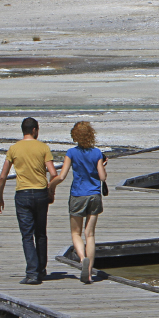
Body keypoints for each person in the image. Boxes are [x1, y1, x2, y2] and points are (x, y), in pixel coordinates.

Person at [0, 117, 58, 285]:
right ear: (35, 130)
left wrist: (0, 197)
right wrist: (51, 191)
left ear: (23, 130)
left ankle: (32, 273)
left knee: (27, 235)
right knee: (41, 233)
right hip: (40, 193)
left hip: (22, 194)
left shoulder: (14, 148)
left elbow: (2, 177)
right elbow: (53, 173)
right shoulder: (43, 147)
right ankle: (41, 269)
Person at [51, 121, 107, 283]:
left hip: (77, 195)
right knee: (90, 234)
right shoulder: (97, 153)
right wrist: (103, 166)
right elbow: (102, 177)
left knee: (75, 233)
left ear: (75, 136)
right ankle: (89, 274)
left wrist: (50, 186)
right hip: (94, 195)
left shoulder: (71, 153)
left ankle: (82, 259)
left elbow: (62, 176)